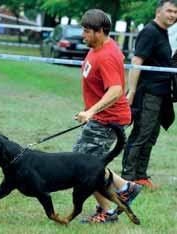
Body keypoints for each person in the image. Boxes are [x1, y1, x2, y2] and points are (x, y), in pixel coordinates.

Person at [73, 9, 142, 224]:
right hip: (101, 116)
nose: (82, 35)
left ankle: (108, 211)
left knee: (84, 167)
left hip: (108, 119)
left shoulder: (107, 56)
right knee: (84, 162)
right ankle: (125, 187)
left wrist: (91, 111)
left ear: (100, 31)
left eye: (86, 31)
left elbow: (115, 90)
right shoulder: (99, 46)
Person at [122, 0, 177, 189]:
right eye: (169, 11)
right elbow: (137, 61)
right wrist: (132, 91)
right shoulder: (150, 31)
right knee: (141, 135)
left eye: (175, 12)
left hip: (162, 94)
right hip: (148, 93)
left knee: (151, 136)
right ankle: (128, 178)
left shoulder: (163, 32)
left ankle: (140, 175)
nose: (172, 15)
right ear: (158, 11)